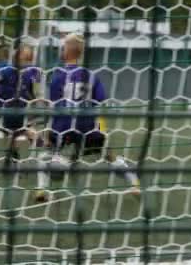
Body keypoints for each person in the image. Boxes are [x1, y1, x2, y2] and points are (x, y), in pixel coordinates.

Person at [34, 33, 139, 202]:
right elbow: (100, 102)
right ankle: (134, 183)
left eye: (62, 47)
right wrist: (101, 130)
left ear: (66, 51)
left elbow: (54, 108)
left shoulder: (58, 76)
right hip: (89, 126)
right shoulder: (92, 76)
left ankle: (41, 189)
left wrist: (47, 134)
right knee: (109, 156)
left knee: (44, 155)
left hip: (65, 126)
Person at [0, 45, 44, 160]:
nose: (27, 64)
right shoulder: (7, 71)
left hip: (15, 108)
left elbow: (31, 90)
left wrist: (35, 100)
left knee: (16, 130)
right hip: (7, 107)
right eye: (26, 60)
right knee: (16, 131)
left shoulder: (28, 73)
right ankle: (17, 150)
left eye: (29, 61)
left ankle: (14, 152)